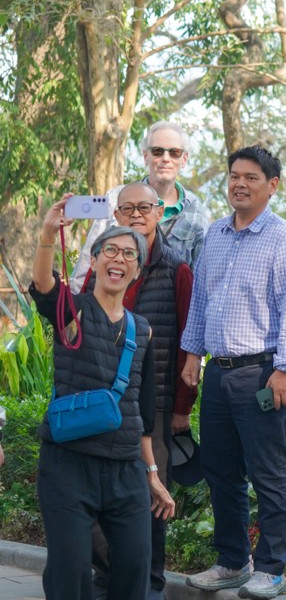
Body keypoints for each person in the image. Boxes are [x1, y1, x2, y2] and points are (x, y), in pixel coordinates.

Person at [180, 146, 286, 599]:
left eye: (251, 177)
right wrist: (192, 355)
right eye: (234, 175)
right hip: (219, 373)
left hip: (264, 374)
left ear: (272, 186)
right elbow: (201, 300)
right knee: (220, 470)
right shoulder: (215, 235)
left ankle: (272, 568)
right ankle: (233, 561)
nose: (240, 183)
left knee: (270, 473)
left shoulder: (285, 239)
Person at [31, 196, 175, 600]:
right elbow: (43, 285)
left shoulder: (142, 330)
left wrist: (152, 477)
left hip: (125, 470)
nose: (119, 258)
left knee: (134, 571)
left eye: (129, 253)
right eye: (110, 250)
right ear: (94, 262)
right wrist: (48, 232)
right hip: (68, 466)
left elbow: (144, 414)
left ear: (137, 269)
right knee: (71, 572)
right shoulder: (70, 313)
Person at [85, 183, 196, 600]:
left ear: (160, 211)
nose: (136, 214)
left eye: (144, 207)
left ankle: (149, 584)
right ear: (116, 215)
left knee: (151, 499)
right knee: (96, 497)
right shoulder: (103, 262)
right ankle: (108, 576)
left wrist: (182, 409)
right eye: (127, 208)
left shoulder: (177, 269)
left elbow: (190, 342)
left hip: (156, 406)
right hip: (100, 404)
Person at [71, 121, 211, 289]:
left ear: (184, 160)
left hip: (165, 308)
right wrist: (75, 306)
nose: (166, 159)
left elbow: (200, 279)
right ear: (146, 157)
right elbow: (87, 260)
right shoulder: (116, 197)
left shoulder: (196, 211)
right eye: (158, 151)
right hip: (112, 305)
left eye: (174, 153)